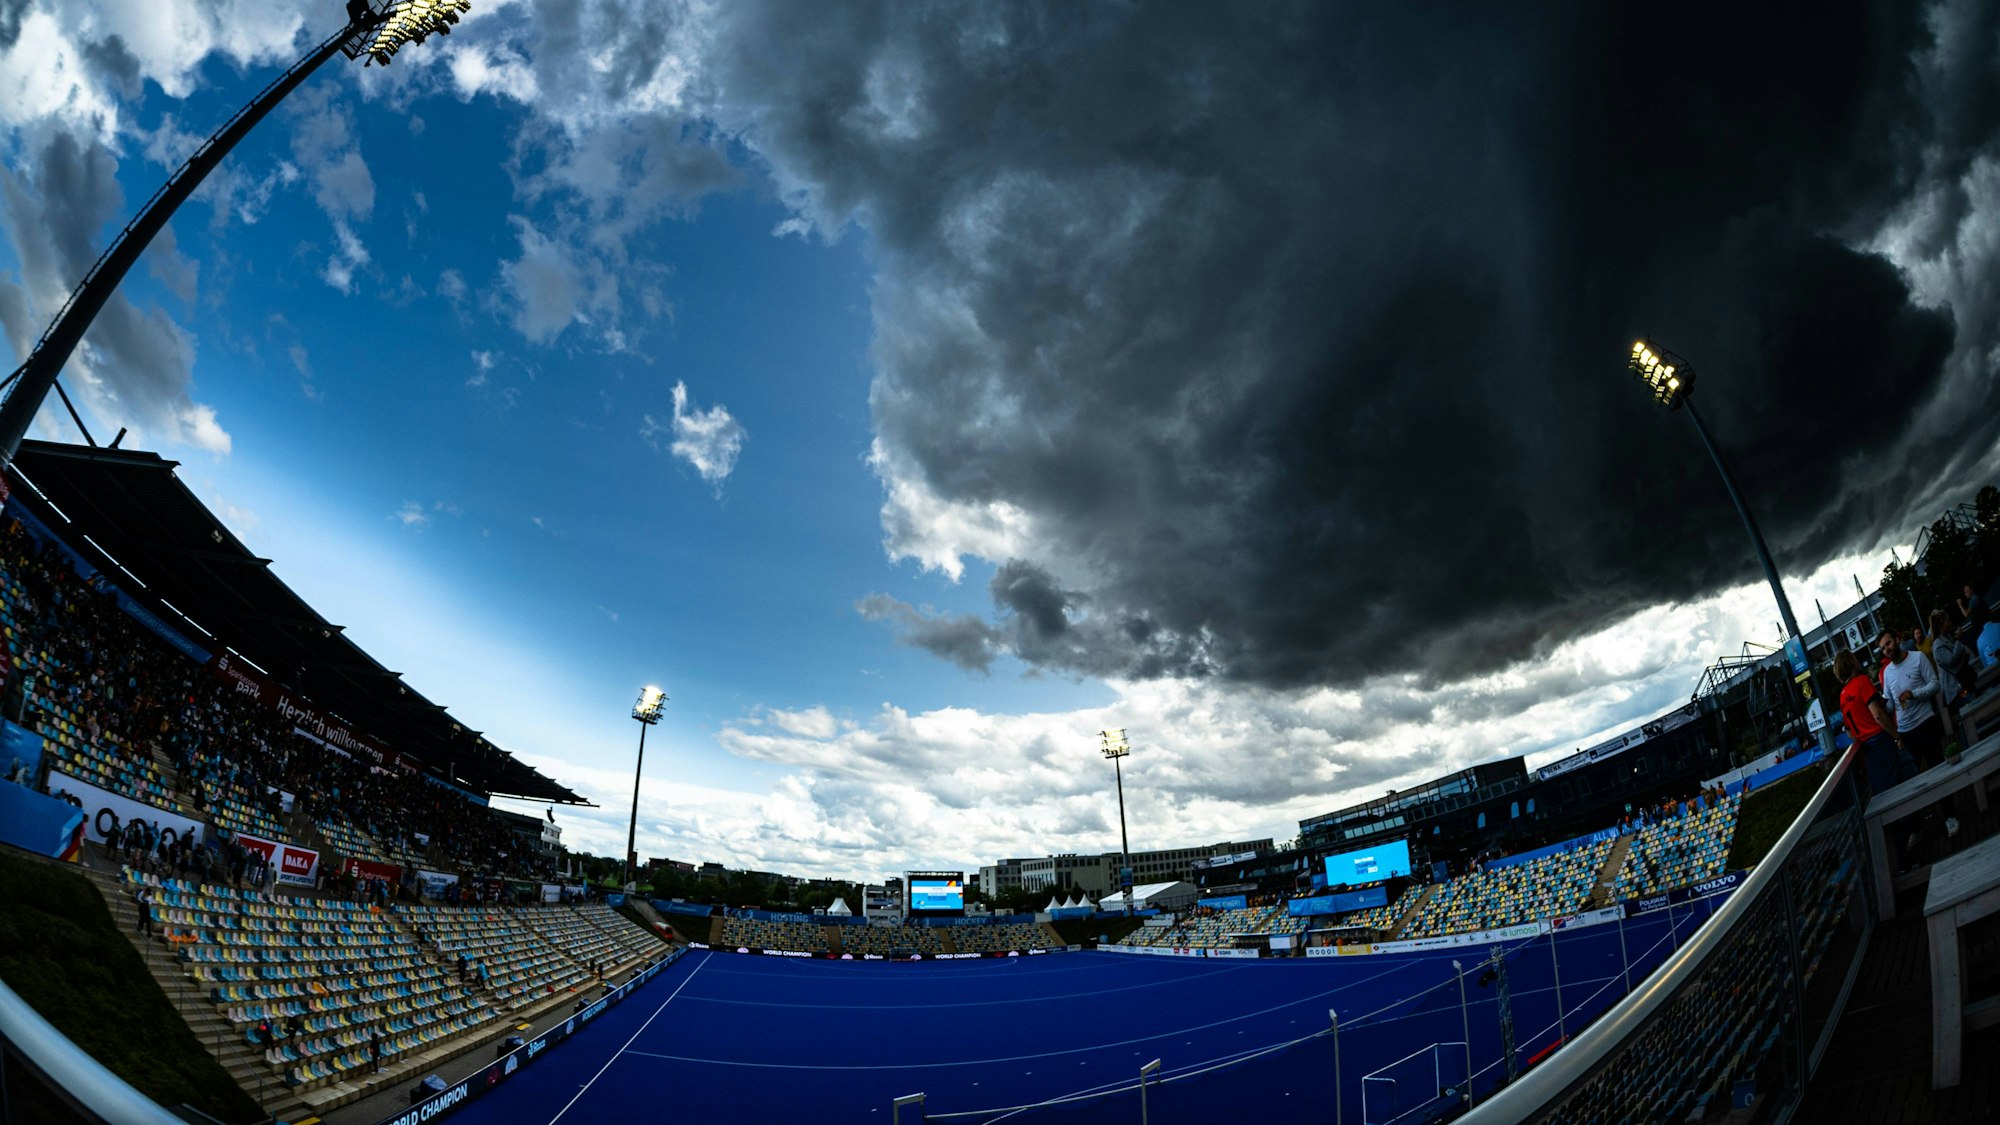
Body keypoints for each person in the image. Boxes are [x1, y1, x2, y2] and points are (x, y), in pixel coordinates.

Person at [1836, 649, 1914, 799]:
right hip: (1881, 740)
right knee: (1904, 780)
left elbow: (1849, 731)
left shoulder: (1843, 695)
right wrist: (1896, 736)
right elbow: (1877, 714)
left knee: (1885, 792)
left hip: (1867, 748)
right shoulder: (1862, 682)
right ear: (1852, 663)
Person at [1880, 629, 1945, 771]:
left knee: (1939, 767)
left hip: (1926, 722)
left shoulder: (1918, 657)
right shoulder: (1887, 672)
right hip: (1906, 732)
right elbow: (1891, 706)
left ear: (1897, 640)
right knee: (1922, 777)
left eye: (1888, 643)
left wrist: (1913, 694)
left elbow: (1936, 684)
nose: (1887, 649)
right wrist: (1882, 705)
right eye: (1883, 648)